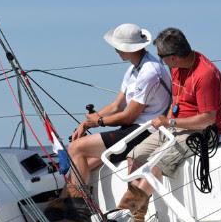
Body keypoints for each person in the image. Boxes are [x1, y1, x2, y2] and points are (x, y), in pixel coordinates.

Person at [118, 27, 221, 222]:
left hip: (203, 132)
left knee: (156, 163)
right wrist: (167, 123)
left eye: (161, 57)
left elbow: (208, 119)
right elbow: (176, 100)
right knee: (134, 156)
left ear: (174, 57)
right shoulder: (175, 67)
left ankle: (129, 215)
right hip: (174, 126)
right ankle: (137, 217)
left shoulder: (205, 75)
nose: (159, 60)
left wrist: (170, 122)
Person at [66, 23, 171, 188]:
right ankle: (69, 200)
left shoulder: (149, 71)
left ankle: (77, 207)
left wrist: (97, 122)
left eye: (118, 47)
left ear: (129, 48)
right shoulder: (133, 69)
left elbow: (129, 115)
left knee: (75, 148)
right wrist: (88, 121)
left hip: (145, 131)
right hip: (132, 129)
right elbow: (116, 106)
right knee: (82, 159)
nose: (115, 50)